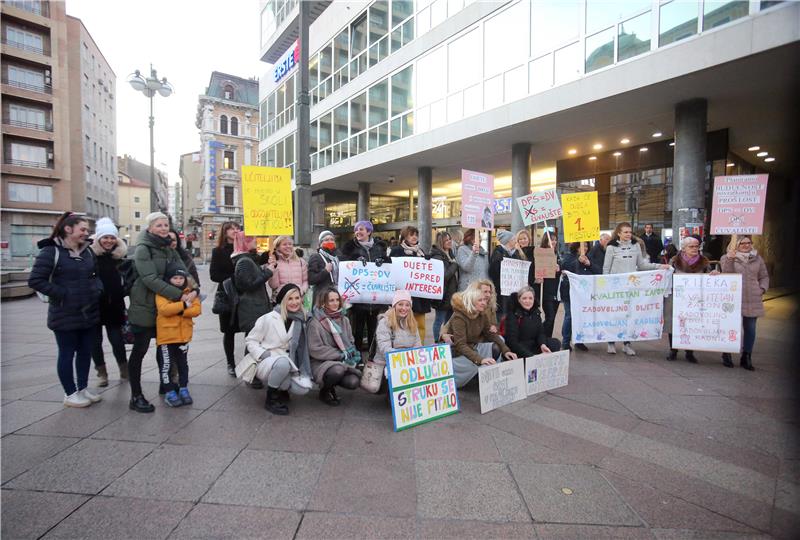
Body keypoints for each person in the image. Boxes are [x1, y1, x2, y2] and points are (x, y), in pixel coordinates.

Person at [28, 212, 103, 408]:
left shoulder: (87, 252)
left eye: (87, 230)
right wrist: (63, 293)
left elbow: (95, 275)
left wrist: (97, 289)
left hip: (88, 312)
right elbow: (35, 280)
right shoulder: (50, 252)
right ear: (68, 229)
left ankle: (82, 388)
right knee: (67, 353)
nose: (86, 233)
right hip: (64, 313)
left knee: (86, 352)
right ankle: (70, 393)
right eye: (82, 229)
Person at [125, 212, 192, 413]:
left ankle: (166, 385)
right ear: (150, 228)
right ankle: (136, 395)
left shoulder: (168, 248)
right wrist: (179, 296)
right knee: (140, 351)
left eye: (166, 225)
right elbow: (150, 279)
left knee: (166, 349)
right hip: (145, 306)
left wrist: (193, 290)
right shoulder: (143, 248)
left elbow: (183, 272)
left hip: (166, 308)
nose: (163, 228)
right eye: (159, 225)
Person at [239, 283, 313, 414]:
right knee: (282, 364)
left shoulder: (301, 319)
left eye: (297, 298)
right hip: (266, 361)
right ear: (283, 300)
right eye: (290, 299)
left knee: (303, 389)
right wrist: (263, 354)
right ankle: (270, 399)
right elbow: (251, 340)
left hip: (288, 361)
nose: (294, 302)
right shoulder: (268, 318)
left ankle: (281, 389)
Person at [603, 222, 670, 356]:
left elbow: (642, 265)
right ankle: (611, 342)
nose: (629, 234)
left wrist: (659, 267)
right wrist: (607, 286)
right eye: (626, 232)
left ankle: (627, 344)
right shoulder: (611, 247)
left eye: (630, 232)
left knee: (629, 315)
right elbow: (606, 269)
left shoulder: (636, 246)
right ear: (619, 233)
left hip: (631, 287)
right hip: (616, 288)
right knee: (615, 315)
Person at [448, 286, 517, 388]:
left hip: (473, 347)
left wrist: (506, 350)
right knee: (478, 362)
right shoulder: (459, 317)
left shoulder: (482, 314)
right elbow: (460, 345)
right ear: (471, 301)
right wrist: (480, 360)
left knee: (497, 346)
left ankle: (490, 380)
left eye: (484, 300)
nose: (484, 303)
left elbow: (490, 334)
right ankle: (467, 379)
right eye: (480, 300)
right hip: (457, 353)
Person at [340, 220, 391, 353]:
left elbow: (389, 265)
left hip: (375, 298)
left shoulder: (380, 247)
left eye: (361, 229)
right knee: (357, 330)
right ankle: (357, 357)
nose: (358, 232)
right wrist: (355, 259)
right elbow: (343, 261)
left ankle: (372, 357)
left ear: (369, 231)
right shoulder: (350, 247)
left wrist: (384, 260)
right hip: (358, 298)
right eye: (356, 230)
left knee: (374, 330)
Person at [89, 217, 129, 387]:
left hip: (115, 306)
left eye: (112, 237)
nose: (109, 241)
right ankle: (102, 374)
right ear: (98, 238)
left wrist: (123, 290)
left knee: (117, 341)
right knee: (94, 342)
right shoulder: (89, 256)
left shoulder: (120, 257)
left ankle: (124, 370)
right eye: (105, 237)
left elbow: (128, 280)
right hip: (93, 306)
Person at [720, 236, 769, 371]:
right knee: (730, 327)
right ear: (736, 245)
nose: (747, 245)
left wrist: (762, 288)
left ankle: (746, 356)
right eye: (743, 243)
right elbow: (726, 273)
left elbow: (764, 276)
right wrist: (730, 258)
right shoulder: (726, 257)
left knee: (750, 328)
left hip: (753, 297)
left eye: (749, 243)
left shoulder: (757, 258)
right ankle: (727, 353)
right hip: (734, 297)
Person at [155, 264, 202, 407]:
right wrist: (184, 305)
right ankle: (169, 391)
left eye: (181, 278)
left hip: (183, 336)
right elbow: (164, 309)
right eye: (175, 278)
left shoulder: (190, 293)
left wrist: (181, 310)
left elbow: (197, 310)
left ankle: (183, 388)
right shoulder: (162, 293)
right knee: (167, 365)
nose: (178, 281)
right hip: (166, 336)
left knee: (183, 364)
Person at [307, 286, 362, 406]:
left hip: (343, 360)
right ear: (323, 303)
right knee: (338, 370)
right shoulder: (315, 322)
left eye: (337, 300)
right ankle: (325, 391)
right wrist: (340, 354)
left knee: (353, 382)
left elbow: (351, 341)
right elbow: (315, 349)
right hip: (320, 362)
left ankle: (331, 384)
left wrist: (351, 353)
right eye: (331, 300)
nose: (335, 303)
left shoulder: (344, 319)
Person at [664, 236, 715, 363]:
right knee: (674, 323)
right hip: (677, 297)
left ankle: (690, 352)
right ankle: (673, 349)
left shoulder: (704, 261)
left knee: (692, 324)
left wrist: (713, 275)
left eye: (697, 246)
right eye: (691, 246)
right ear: (683, 248)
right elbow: (668, 277)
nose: (694, 249)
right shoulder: (674, 261)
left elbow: (709, 277)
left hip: (694, 299)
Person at [210, 221, 242, 376]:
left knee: (250, 329)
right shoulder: (218, 251)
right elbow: (214, 275)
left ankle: (250, 362)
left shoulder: (245, 249)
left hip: (245, 293)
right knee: (229, 332)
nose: (235, 231)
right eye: (231, 229)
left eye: (237, 228)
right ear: (225, 232)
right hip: (227, 295)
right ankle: (231, 363)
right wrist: (233, 277)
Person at [390, 226, 432, 341]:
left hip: (420, 296)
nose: (414, 237)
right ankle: (404, 348)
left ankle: (420, 348)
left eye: (415, 235)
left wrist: (428, 261)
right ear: (404, 237)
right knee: (403, 324)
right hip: (404, 295)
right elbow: (392, 270)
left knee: (420, 325)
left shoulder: (420, 251)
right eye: (411, 235)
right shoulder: (397, 251)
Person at [232, 232, 273, 336]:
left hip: (255, 308)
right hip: (252, 310)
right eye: (252, 239)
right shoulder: (244, 261)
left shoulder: (249, 259)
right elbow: (248, 285)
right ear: (245, 242)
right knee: (253, 342)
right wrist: (268, 273)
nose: (255, 240)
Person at [504, 287, 561, 357]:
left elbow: (541, 333)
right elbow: (512, 342)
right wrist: (531, 356)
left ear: (534, 299)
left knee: (555, 343)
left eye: (530, 298)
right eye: (524, 298)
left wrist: (543, 345)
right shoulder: (513, 315)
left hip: (533, 345)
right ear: (519, 300)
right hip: (519, 348)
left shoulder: (536, 313)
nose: (528, 301)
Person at [372, 290, 422, 367]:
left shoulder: (412, 323)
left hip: (407, 364)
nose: (404, 308)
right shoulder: (385, 322)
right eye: (400, 304)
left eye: (407, 305)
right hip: (386, 365)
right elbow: (385, 349)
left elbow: (417, 345)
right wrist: (406, 358)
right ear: (394, 306)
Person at [559, 242, 592, 351]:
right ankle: (565, 342)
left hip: (583, 293)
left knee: (581, 316)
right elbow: (565, 267)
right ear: (576, 247)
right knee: (570, 315)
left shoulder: (588, 257)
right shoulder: (569, 257)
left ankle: (579, 340)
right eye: (582, 246)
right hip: (569, 291)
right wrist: (578, 261)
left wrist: (589, 264)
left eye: (587, 246)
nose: (585, 248)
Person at [429, 231, 459, 342]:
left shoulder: (450, 254)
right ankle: (437, 342)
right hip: (442, 295)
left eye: (450, 239)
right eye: (446, 240)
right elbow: (444, 276)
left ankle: (447, 343)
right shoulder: (437, 256)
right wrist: (454, 265)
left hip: (451, 294)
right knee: (439, 320)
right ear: (441, 242)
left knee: (449, 322)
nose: (449, 241)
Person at [488, 229, 522, 317]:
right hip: (502, 291)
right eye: (514, 239)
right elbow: (493, 272)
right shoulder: (497, 253)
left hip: (513, 291)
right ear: (508, 241)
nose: (516, 241)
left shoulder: (515, 253)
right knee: (502, 315)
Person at [268, 236, 309, 301]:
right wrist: (274, 268)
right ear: (278, 247)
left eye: (290, 244)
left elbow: (305, 281)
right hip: (281, 299)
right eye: (284, 244)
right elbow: (274, 286)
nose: (288, 246)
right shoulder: (274, 262)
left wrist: (302, 291)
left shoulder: (301, 262)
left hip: (298, 299)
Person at [537, 234, 561, 338]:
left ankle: (548, 339)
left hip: (557, 291)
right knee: (550, 317)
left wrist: (559, 269)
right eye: (551, 240)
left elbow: (559, 273)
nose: (554, 242)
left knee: (552, 318)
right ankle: (540, 337)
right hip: (546, 291)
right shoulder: (541, 254)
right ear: (546, 241)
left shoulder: (558, 254)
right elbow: (538, 271)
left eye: (555, 240)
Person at [308, 230, 340, 300]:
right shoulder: (316, 257)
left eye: (332, 239)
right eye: (326, 240)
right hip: (322, 297)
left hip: (336, 296)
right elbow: (311, 279)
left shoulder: (338, 257)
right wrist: (325, 271)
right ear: (320, 243)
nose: (330, 242)